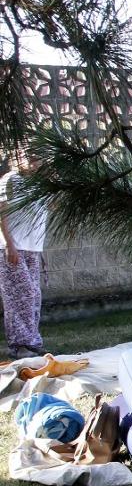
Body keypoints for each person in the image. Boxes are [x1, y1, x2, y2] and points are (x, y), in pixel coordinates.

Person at [0, 140, 50, 358]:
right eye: (28, 156)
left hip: (32, 248)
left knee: (34, 295)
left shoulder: (39, 184)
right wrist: (8, 244)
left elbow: (49, 209)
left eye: (37, 156)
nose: (33, 161)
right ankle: (20, 344)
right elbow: (1, 212)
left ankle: (32, 341)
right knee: (20, 295)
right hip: (12, 246)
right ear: (17, 157)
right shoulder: (10, 180)